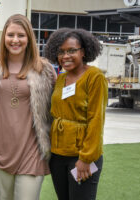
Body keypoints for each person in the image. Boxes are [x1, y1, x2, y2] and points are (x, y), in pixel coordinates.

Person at [0, 14, 57, 200]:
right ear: (4, 37)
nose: (15, 40)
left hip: (32, 150)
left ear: (29, 38)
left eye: (21, 35)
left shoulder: (44, 69)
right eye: (10, 35)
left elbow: (59, 106)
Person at [44, 28, 108, 200]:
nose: (65, 56)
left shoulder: (94, 77)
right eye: (61, 52)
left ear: (84, 51)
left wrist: (86, 158)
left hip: (81, 157)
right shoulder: (61, 79)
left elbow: (96, 119)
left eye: (72, 50)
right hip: (58, 156)